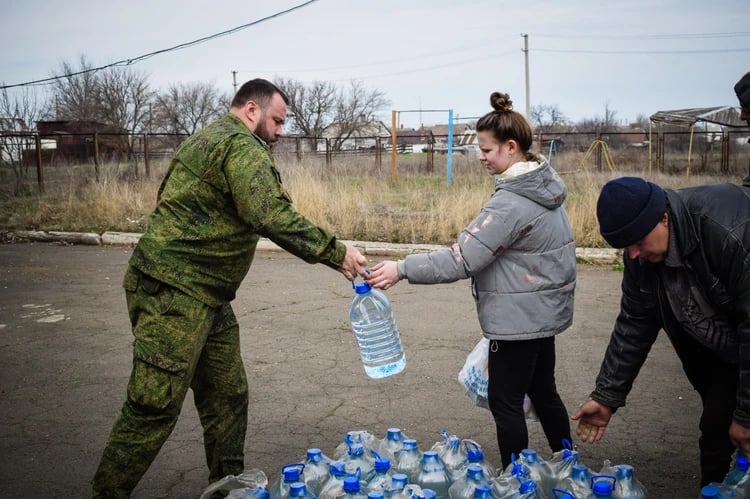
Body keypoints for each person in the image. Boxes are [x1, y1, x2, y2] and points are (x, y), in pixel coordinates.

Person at [91, 78, 368, 497]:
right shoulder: (240, 146)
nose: (280, 131)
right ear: (252, 111)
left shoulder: (207, 139)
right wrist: (338, 254)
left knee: (227, 395)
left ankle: (229, 488)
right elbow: (270, 214)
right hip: (174, 293)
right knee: (154, 405)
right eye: (276, 121)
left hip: (205, 295)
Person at [365, 91, 576, 469]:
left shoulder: (511, 203)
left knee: (505, 401)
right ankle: (569, 463)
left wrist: (401, 268)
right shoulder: (544, 191)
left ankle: (515, 479)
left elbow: (461, 259)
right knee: (544, 391)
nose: (480, 156)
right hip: (541, 314)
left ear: (511, 148)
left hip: (518, 320)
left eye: (486, 150)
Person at [571, 175, 750, 486]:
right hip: (724, 348)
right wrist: (607, 396)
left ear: (664, 218)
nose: (634, 254)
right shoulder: (641, 251)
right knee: (716, 431)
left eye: (638, 242)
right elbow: (634, 322)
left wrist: (747, 415)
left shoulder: (729, 229)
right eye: (626, 247)